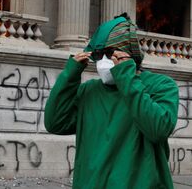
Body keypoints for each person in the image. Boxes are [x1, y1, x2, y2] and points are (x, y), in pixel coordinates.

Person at [44, 13, 179, 188]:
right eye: (98, 55)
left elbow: (158, 128)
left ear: (129, 53)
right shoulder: (89, 91)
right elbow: (55, 123)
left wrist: (126, 77)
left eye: (109, 53)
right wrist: (70, 75)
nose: (103, 61)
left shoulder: (161, 85)